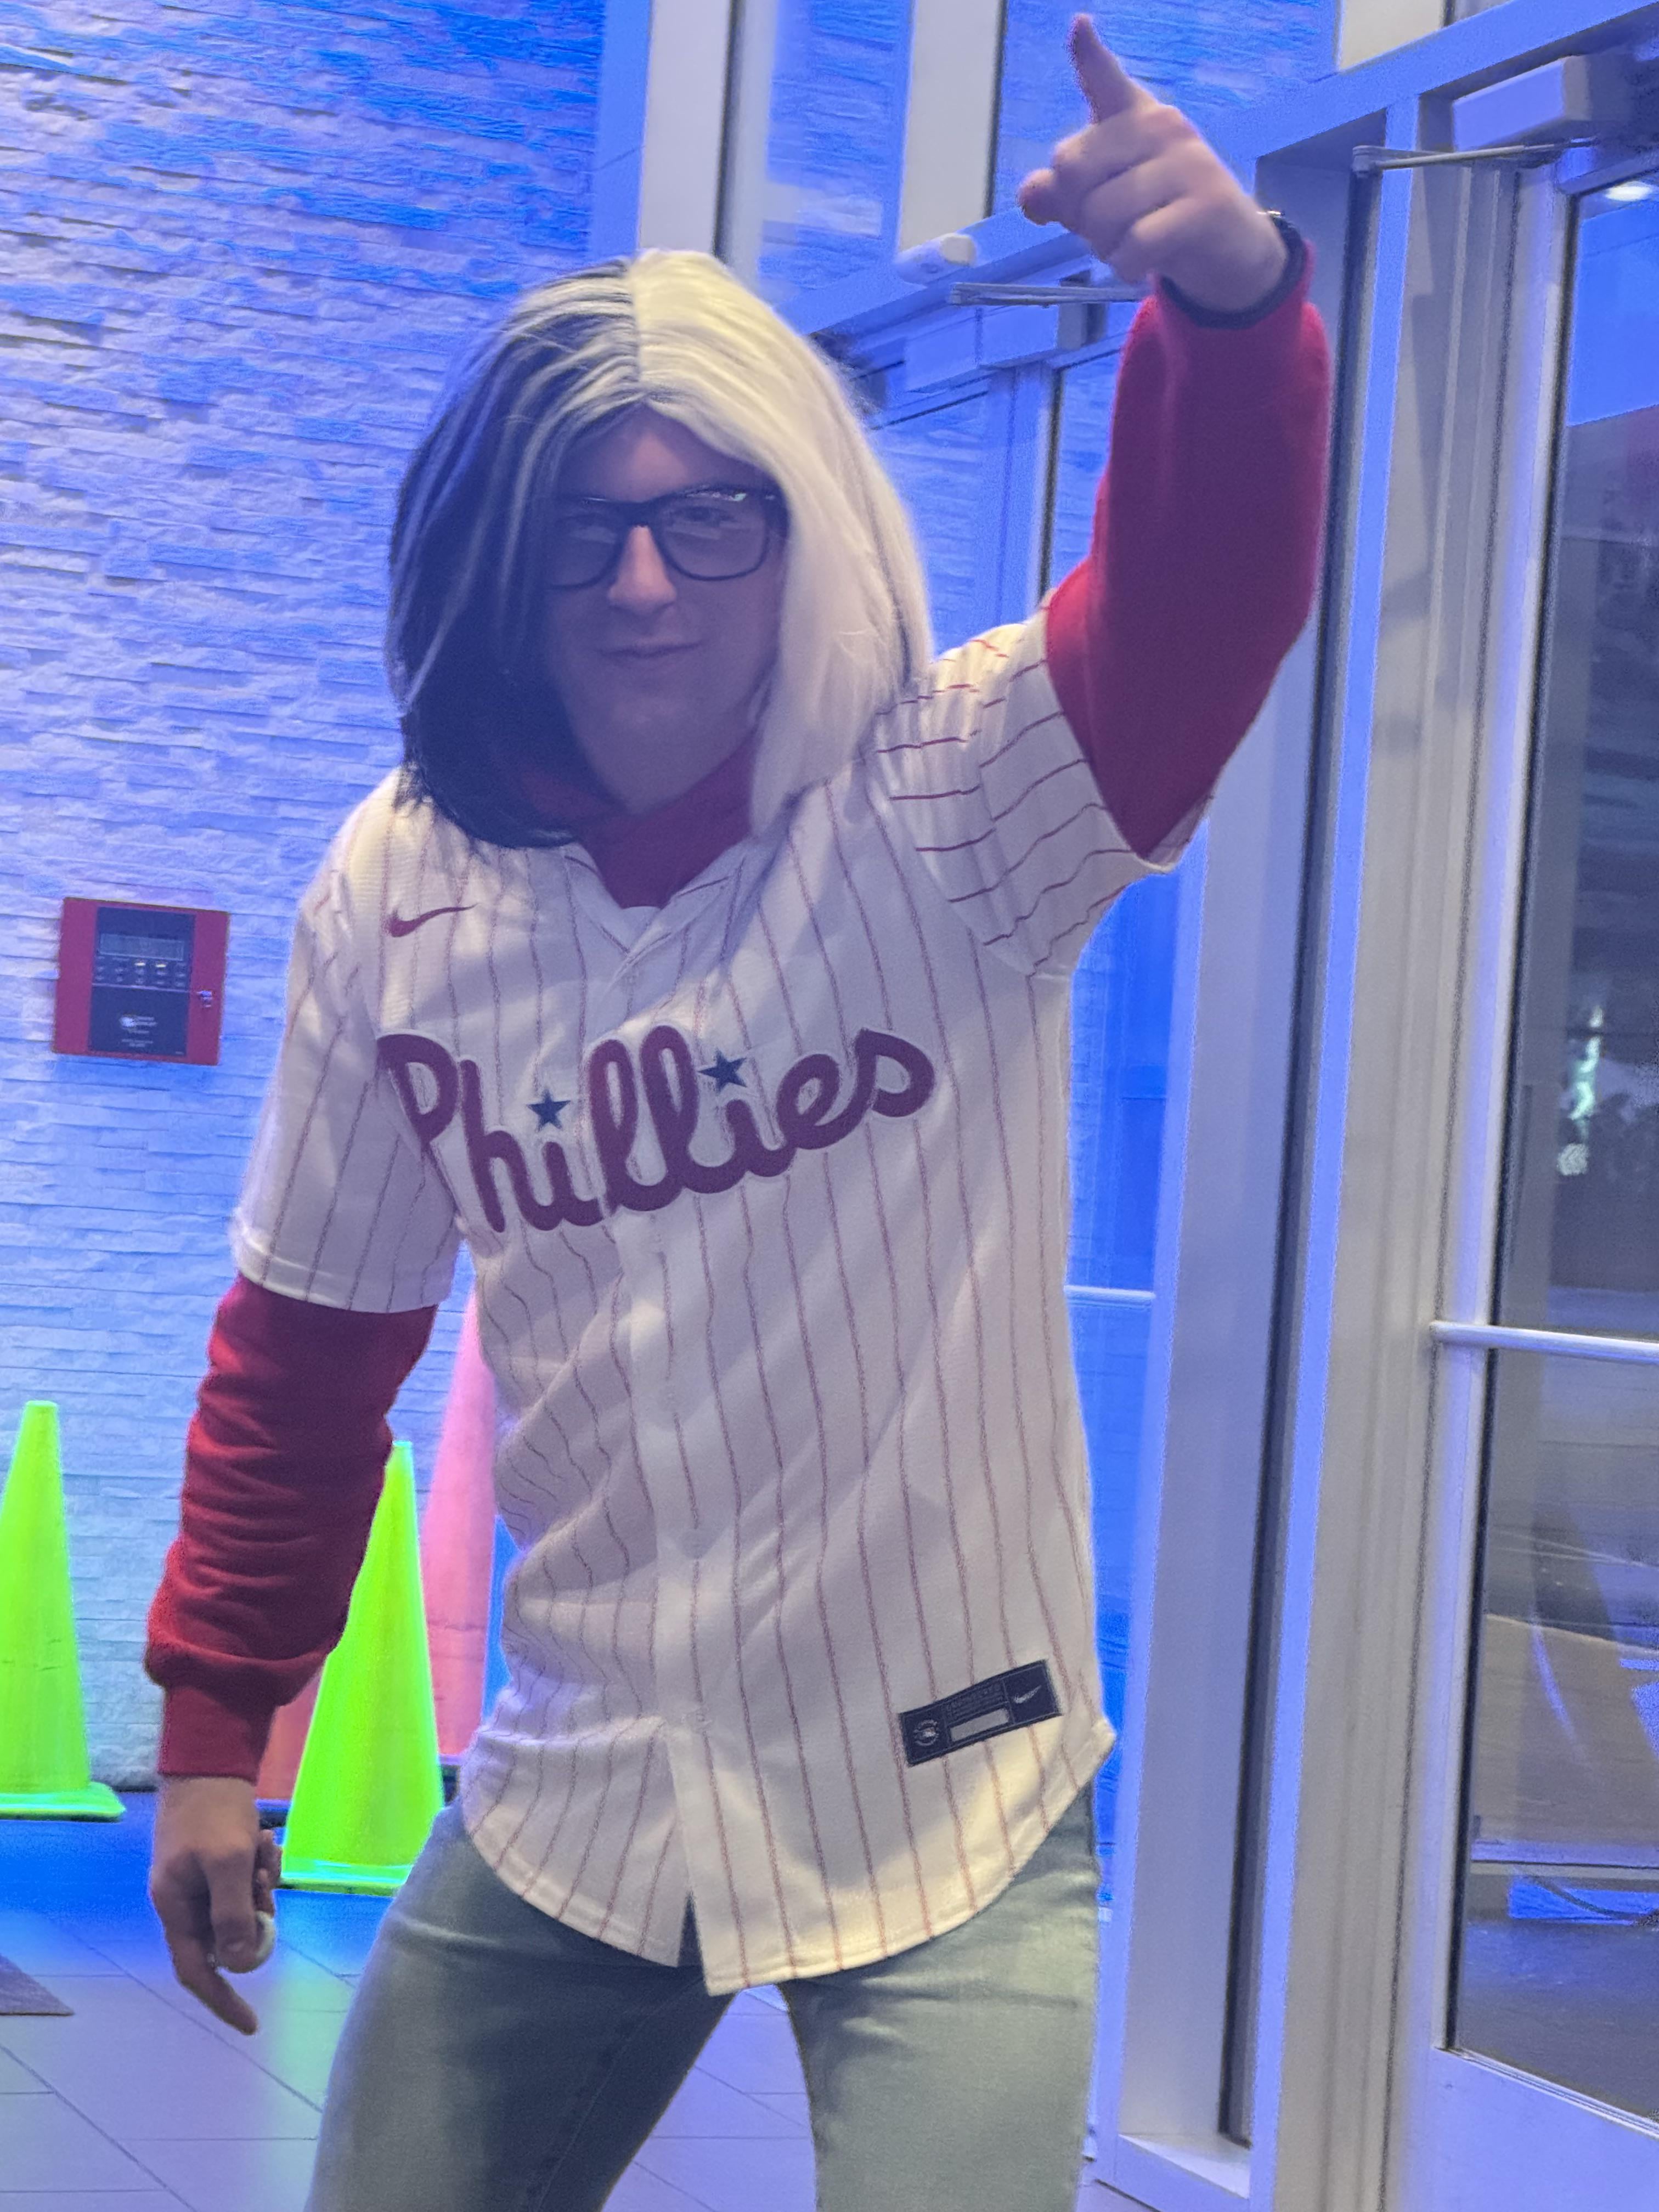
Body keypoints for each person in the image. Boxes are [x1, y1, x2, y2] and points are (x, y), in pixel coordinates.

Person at [144, 18, 1330, 2211]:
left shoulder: (955, 791)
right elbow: (308, 1348)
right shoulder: (395, 889)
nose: (647, 586)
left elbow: (1202, 600)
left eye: (712, 518)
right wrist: (217, 1731)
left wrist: (1233, 311)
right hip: (591, 1773)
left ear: (804, 533)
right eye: (586, 531)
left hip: (950, 1773)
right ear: (494, 554)